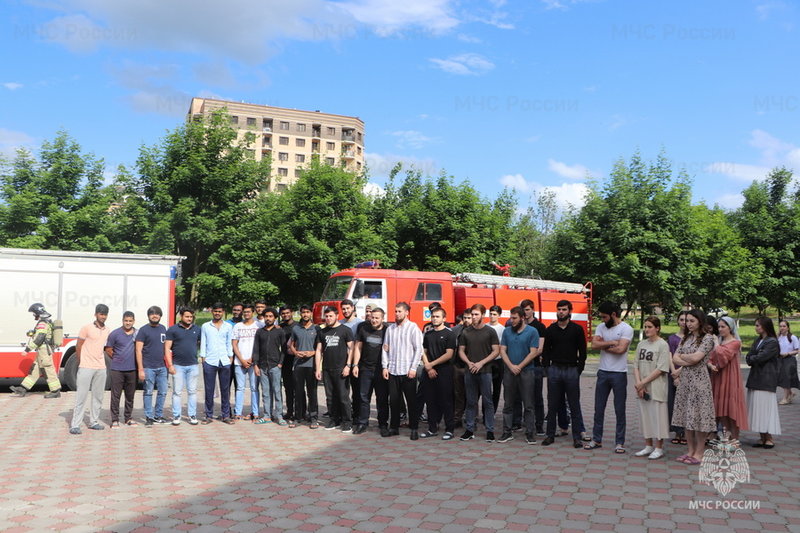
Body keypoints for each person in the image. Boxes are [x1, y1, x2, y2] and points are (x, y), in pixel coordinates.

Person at [671, 309, 717, 464]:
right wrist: (687, 359)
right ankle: (690, 451)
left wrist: (684, 357)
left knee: (699, 417)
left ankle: (699, 453)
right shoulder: (686, 338)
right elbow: (675, 358)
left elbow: (697, 358)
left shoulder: (707, 338)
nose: (688, 324)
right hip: (685, 381)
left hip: (700, 382)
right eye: (687, 321)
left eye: (692, 321)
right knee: (687, 416)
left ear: (700, 321)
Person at [541, 300, 587, 449]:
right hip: (555, 369)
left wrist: (579, 369)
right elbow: (546, 351)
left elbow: (583, 351)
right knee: (552, 404)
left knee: (574, 405)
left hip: (571, 370)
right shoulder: (551, 329)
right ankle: (550, 435)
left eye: (564, 309)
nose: (561, 312)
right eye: (559, 309)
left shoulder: (577, 329)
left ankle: (577, 437)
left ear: (570, 311)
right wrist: (547, 368)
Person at [497, 306, 539, 444]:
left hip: (527, 371)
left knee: (528, 404)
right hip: (509, 371)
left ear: (522, 318)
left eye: (514, 318)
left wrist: (519, 366)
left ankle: (530, 432)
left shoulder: (532, 331)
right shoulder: (507, 331)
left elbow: (533, 352)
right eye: (511, 317)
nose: (511, 320)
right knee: (508, 403)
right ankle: (507, 431)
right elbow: (502, 350)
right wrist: (511, 366)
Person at [458, 304, 500, 442]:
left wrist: (481, 363)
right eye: (472, 314)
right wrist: (469, 363)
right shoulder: (466, 332)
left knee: (488, 402)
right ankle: (469, 429)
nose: (474, 317)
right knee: (471, 401)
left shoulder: (490, 331)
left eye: (476, 314)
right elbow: (461, 351)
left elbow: (496, 351)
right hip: (470, 371)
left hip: (485, 371)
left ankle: (490, 430)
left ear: (483, 315)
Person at [382, 302, 424, 440]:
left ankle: (414, 428)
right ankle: (394, 427)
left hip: (407, 371)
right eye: (395, 311)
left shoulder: (413, 328)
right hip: (393, 370)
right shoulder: (390, 329)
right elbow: (385, 348)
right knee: (394, 401)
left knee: (411, 401)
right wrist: (385, 366)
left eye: (399, 311)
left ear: (406, 312)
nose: (397, 313)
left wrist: (413, 368)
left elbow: (418, 349)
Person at [69, 304, 111, 434]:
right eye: (101, 314)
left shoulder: (107, 330)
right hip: (86, 366)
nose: (103, 316)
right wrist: (81, 362)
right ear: (95, 314)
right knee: (81, 396)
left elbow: (107, 348)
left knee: (98, 396)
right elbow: (78, 346)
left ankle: (94, 422)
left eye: (105, 314)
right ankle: (75, 425)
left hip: (101, 367)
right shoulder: (86, 328)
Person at [632, 316, 670, 460]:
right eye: (645, 326)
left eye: (650, 327)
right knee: (645, 416)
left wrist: (643, 382)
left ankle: (658, 448)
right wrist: (639, 384)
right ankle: (648, 445)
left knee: (658, 417)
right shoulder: (641, 344)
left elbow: (661, 368)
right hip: (642, 387)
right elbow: (636, 364)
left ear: (657, 328)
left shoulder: (663, 345)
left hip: (656, 386)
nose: (647, 329)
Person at [419, 307, 457, 440]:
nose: (434, 319)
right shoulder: (428, 334)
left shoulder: (449, 334)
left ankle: (449, 429)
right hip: (429, 371)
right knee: (430, 401)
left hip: (444, 371)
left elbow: (449, 354)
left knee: (446, 401)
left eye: (437, 316)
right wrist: (428, 367)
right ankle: (432, 429)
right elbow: (423, 351)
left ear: (444, 319)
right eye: (433, 316)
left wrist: (432, 364)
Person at [315, 306, 354, 432]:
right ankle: (334, 419)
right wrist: (318, 369)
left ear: (337, 316)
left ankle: (347, 421)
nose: (328, 318)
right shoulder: (322, 332)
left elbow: (351, 348)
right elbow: (319, 350)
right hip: (327, 369)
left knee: (343, 397)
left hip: (341, 368)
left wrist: (348, 365)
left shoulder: (345, 330)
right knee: (330, 397)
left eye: (331, 316)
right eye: (326, 316)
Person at [708, 316, 747, 441]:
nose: (720, 329)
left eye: (723, 327)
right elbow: (710, 357)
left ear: (730, 328)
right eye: (719, 327)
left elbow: (724, 357)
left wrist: (716, 344)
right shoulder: (720, 341)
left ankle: (735, 438)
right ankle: (727, 437)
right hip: (718, 377)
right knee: (722, 408)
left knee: (731, 408)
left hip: (730, 378)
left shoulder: (735, 342)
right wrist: (710, 365)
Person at [11, 303, 62, 398]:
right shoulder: (45, 322)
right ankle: (23, 388)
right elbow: (40, 335)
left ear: (38, 312)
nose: (34, 315)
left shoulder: (42, 323)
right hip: (42, 351)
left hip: (44, 351)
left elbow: (40, 338)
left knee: (48, 369)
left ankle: (55, 391)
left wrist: (27, 349)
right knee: (34, 370)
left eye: (34, 313)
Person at [352, 307, 390, 435]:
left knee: (382, 399)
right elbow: (358, 348)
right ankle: (363, 423)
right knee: (363, 397)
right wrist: (355, 365)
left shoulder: (387, 331)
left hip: (381, 370)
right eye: (372, 318)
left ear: (382, 318)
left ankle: (383, 424)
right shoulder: (363, 329)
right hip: (365, 369)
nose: (374, 320)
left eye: (377, 318)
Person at [746, 317, 782, 449]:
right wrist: (752, 358)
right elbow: (748, 356)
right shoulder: (758, 340)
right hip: (756, 379)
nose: (756, 328)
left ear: (765, 326)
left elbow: (760, 357)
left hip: (766, 380)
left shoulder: (772, 342)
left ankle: (769, 438)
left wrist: (752, 358)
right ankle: (762, 437)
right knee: (757, 409)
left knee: (765, 409)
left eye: (758, 325)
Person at [520, 299, 552, 436]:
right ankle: (525, 422)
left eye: (528, 309)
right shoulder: (519, 325)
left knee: (537, 397)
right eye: (523, 310)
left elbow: (540, 349)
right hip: (521, 366)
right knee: (523, 396)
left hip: (535, 366)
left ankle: (539, 425)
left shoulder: (540, 326)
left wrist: (526, 356)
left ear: (533, 310)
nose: (525, 312)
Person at [164, 307, 201, 426]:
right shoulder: (173, 330)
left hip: (193, 365)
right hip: (178, 366)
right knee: (177, 392)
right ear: (181, 316)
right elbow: (167, 348)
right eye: (187, 316)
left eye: (191, 317)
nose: (189, 319)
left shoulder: (197, 329)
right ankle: (176, 416)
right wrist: (170, 365)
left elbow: (202, 345)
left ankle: (192, 415)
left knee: (192, 392)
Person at [199, 302, 234, 424]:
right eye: (215, 311)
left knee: (225, 389)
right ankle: (208, 415)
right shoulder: (205, 326)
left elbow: (229, 342)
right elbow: (203, 342)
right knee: (209, 389)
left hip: (224, 360)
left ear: (223, 312)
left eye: (220, 311)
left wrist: (230, 357)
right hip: (210, 360)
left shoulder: (228, 326)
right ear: (212, 312)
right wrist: (203, 358)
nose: (217, 313)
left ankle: (226, 415)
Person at [253, 307, 288, 425]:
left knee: (277, 391)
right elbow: (256, 349)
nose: (268, 318)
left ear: (275, 318)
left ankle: (279, 416)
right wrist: (256, 365)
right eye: (266, 316)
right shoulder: (260, 332)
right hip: (262, 366)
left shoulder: (279, 331)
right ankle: (267, 415)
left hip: (275, 366)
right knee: (266, 392)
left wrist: (280, 363)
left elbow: (284, 349)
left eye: (270, 316)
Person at [136, 306, 169, 426]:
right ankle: (149, 417)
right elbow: (138, 350)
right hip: (148, 367)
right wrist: (141, 369)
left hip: (162, 367)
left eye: (157, 314)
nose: (155, 316)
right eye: (152, 314)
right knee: (148, 392)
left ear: (160, 316)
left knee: (163, 392)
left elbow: (166, 347)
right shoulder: (143, 330)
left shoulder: (163, 328)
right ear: (148, 316)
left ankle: (158, 415)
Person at [289, 305, 320, 428]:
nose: (305, 314)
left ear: (311, 313)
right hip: (298, 364)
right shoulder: (296, 328)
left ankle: (313, 418)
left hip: (312, 364)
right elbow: (291, 345)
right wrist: (296, 352)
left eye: (307, 312)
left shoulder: (317, 328)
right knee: (298, 392)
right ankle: (298, 417)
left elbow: (320, 347)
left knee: (312, 392)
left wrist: (312, 353)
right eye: (303, 312)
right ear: (300, 313)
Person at [105, 311, 138, 427]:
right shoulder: (115, 334)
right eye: (126, 321)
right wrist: (117, 358)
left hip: (132, 369)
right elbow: (108, 349)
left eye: (130, 321)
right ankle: (115, 419)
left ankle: (128, 418)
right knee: (115, 396)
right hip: (117, 369)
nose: (128, 323)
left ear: (134, 321)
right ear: (122, 321)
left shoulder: (137, 334)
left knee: (130, 395)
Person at [232, 304, 261, 420]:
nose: (246, 314)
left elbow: (261, 344)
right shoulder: (238, 326)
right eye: (244, 312)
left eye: (248, 312)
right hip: (239, 362)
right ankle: (238, 412)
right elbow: (234, 344)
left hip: (254, 362)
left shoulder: (259, 325)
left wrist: (253, 358)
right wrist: (242, 360)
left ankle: (255, 412)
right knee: (240, 388)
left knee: (254, 388)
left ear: (253, 312)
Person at [340, 299, 364, 423]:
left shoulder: (360, 324)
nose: (346, 311)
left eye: (348, 308)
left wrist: (355, 364)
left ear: (353, 308)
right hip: (342, 362)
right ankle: (344, 414)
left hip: (356, 362)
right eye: (343, 309)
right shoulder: (339, 323)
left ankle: (357, 415)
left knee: (357, 391)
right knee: (343, 391)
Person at [667, 311, 687, 446]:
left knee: (685, 404)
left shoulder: (693, 339)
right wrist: (673, 372)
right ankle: (676, 432)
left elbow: (692, 358)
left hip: (686, 373)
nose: (684, 323)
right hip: (672, 373)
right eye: (681, 320)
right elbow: (669, 355)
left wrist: (680, 371)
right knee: (673, 403)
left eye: (687, 320)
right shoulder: (672, 338)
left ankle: (685, 432)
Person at [451, 309, 472, 429]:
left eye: (469, 318)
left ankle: (471, 419)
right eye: (465, 318)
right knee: (458, 393)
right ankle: (457, 418)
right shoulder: (456, 330)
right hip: (457, 365)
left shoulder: (477, 331)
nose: (467, 320)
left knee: (472, 395)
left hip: (472, 366)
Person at [487, 305, 506, 418]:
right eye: (490, 314)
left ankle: (492, 412)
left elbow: (503, 346)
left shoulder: (502, 329)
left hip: (498, 361)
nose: (492, 316)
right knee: (485, 388)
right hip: (486, 361)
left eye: (494, 314)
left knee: (496, 388)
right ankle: (486, 412)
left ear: (499, 315)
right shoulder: (485, 327)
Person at [279, 306, 297, 422]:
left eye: (287, 313)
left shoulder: (298, 326)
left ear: (292, 313)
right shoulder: (279, 327)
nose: (285, 315)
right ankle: (290, 411)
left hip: (297, 359)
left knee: (299, 388)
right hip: (285, 361)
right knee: (288, 388)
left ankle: (300, 412)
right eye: (283, 313)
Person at [776, 320, 800, 404]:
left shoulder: (793, 337)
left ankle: (785, 398)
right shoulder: (779, 337)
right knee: (781, 378)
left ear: (788, 328)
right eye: (780, 326)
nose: (782, 328)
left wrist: (788, 353)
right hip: (780, 359)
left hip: (789, 359)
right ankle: (790, 393)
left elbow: (797, 350)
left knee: (786, 378)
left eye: (784, 326)